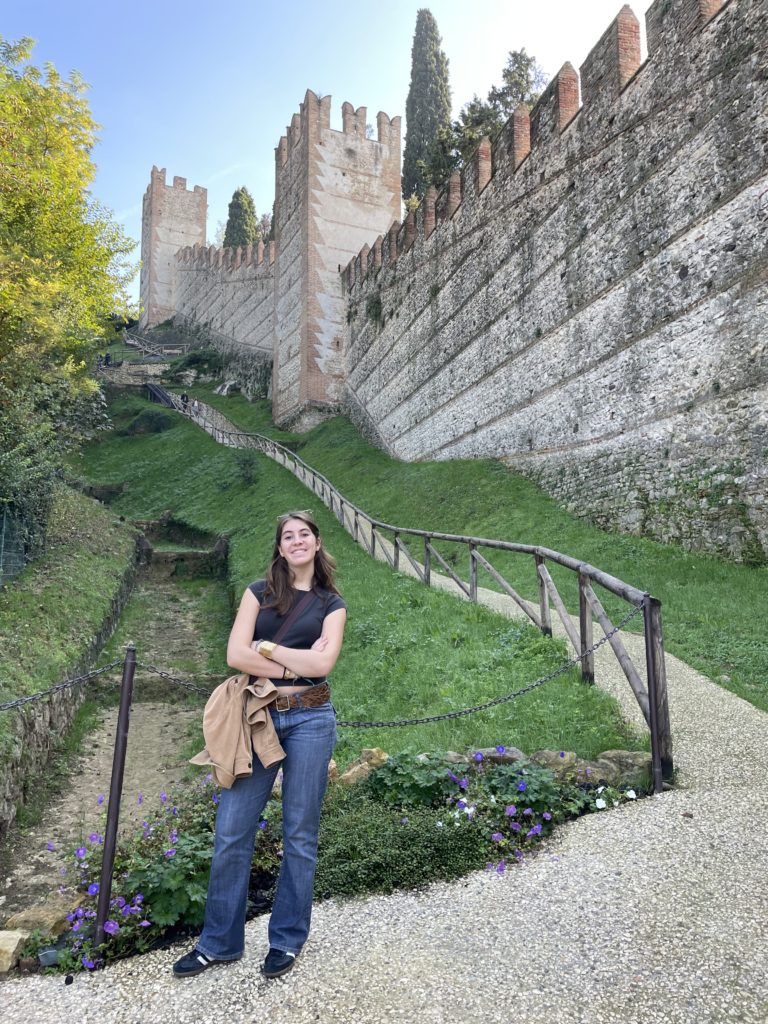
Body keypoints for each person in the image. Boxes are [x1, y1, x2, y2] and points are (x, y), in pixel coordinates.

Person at [173, 510, 346, 981]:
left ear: (317, 542)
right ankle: (218, 943)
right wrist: (293, 664)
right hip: (258, 716)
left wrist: (266, 650)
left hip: (311, 717)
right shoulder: (258, 593)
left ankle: (286, 940)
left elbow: (323, 665)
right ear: (280, 546)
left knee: (300, 834)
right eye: (288, 536)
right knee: (232, 829)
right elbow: (236, 654)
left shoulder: (332, 603)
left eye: (304, 534)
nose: (297, 541)